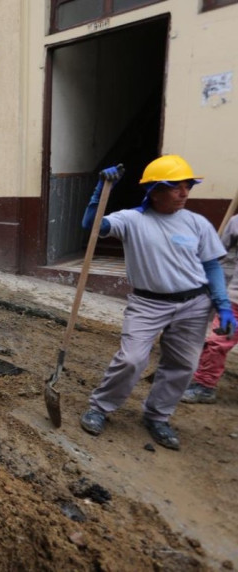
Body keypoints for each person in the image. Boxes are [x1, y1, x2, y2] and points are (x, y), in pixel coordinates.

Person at [78, 156, 236, 450]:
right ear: (154, 190)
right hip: (148, 304)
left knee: (182, 365)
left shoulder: (196, 223)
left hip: (194, 304)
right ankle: (100, 407)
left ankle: (157, 416)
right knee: (131, 359)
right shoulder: (132, 220)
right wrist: (100, 190)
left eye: (187, 185)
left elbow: (211, 266)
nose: (184, 192)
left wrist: (223, 305)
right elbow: (92, 225)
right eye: (176, 186)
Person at [182, 213, 238, 404]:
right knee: (218, 342)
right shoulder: (236, 222)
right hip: (236, 300)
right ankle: (204, 385)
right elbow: (218, 254)